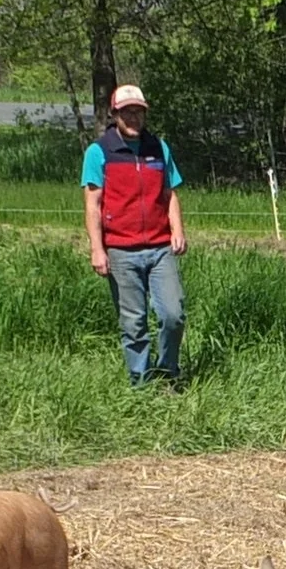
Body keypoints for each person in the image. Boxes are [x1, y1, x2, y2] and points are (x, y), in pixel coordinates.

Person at [82, 84, 186, 385]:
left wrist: (177, 230)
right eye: (126, 112)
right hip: (120, 250)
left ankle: (167, 374)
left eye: (138, 111)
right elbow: (93, 205)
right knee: (134, 322)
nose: (133, 117)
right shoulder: (99, 151)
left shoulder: (159, 148)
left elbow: (169, 193)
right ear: (114, 114)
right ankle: (140, 383)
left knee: (173, 315)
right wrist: (97, 249)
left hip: (160, 247)